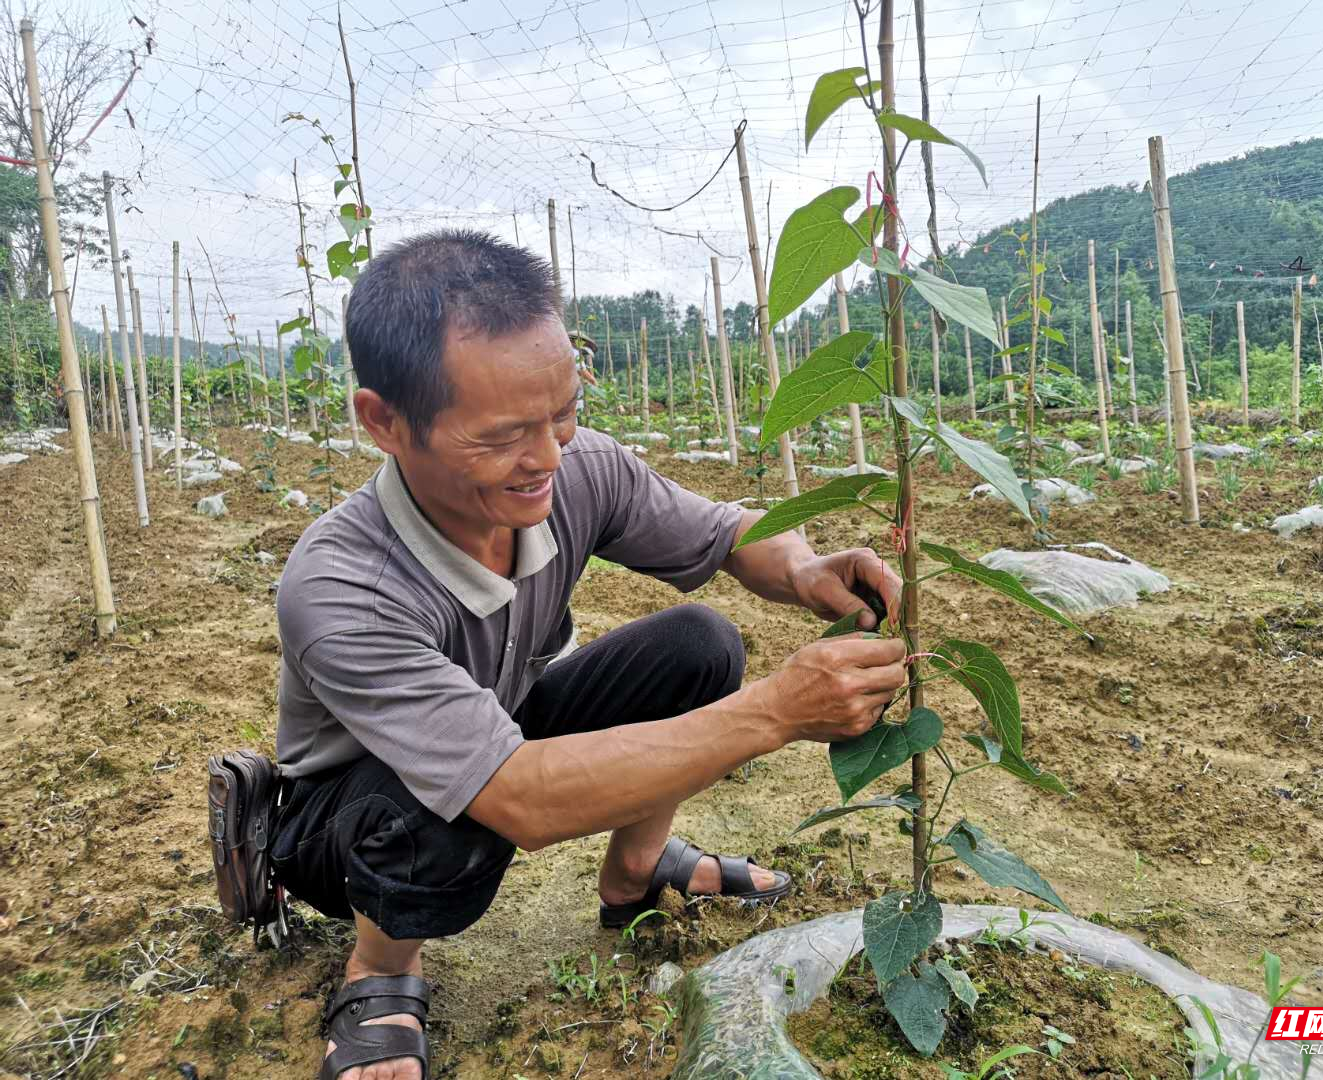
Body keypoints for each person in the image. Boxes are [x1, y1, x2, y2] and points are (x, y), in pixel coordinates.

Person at [270, 230, 906, 1080]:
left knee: (698, 644)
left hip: (493, 732)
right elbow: (516, 799)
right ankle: (382, 971)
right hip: (348, 818)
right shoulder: (342, 585)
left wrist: (803, 567)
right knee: (442, 815)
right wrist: (777, 712)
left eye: (563, 412)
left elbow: (724, 533)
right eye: (501, 436)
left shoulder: (573, 470)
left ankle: (636, 874)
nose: (546, 459)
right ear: (384, 421)